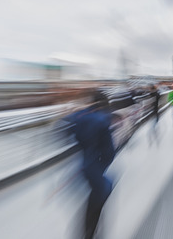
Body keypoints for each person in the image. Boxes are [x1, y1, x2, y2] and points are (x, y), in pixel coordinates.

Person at [64, 90, 116, 239]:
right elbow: (109, 152)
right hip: (96, 170)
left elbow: (67, 130)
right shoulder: (102, 120)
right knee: (98, 200)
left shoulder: (81, 116)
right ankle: (90, 233)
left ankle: (87, 232)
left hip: (83, 166)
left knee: (92, 202)